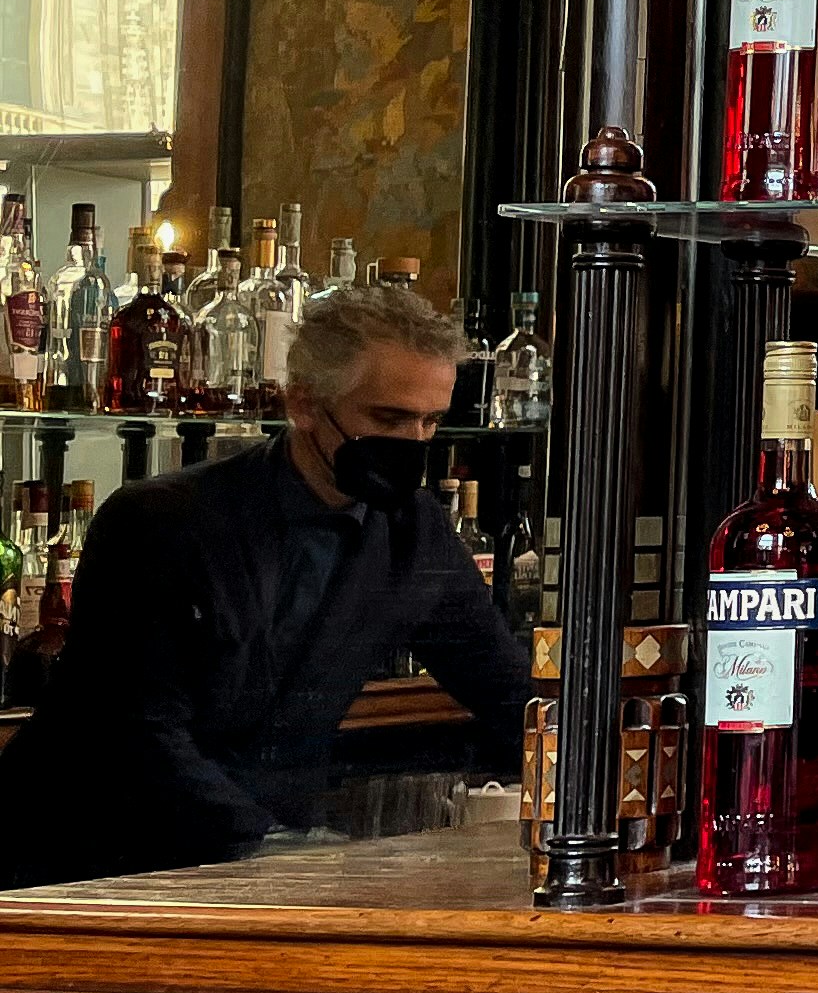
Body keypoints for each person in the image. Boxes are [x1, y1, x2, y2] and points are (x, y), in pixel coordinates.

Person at [0, 282, 524, 887]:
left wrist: (610, 779)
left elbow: (507, 691)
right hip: (88, 862)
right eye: (389, 418)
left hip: (264, 868)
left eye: (431, 422)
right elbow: (137, 729)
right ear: (303, 404)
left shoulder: (415, 531)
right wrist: (272, 846)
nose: (414, 443)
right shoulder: (161, 520)